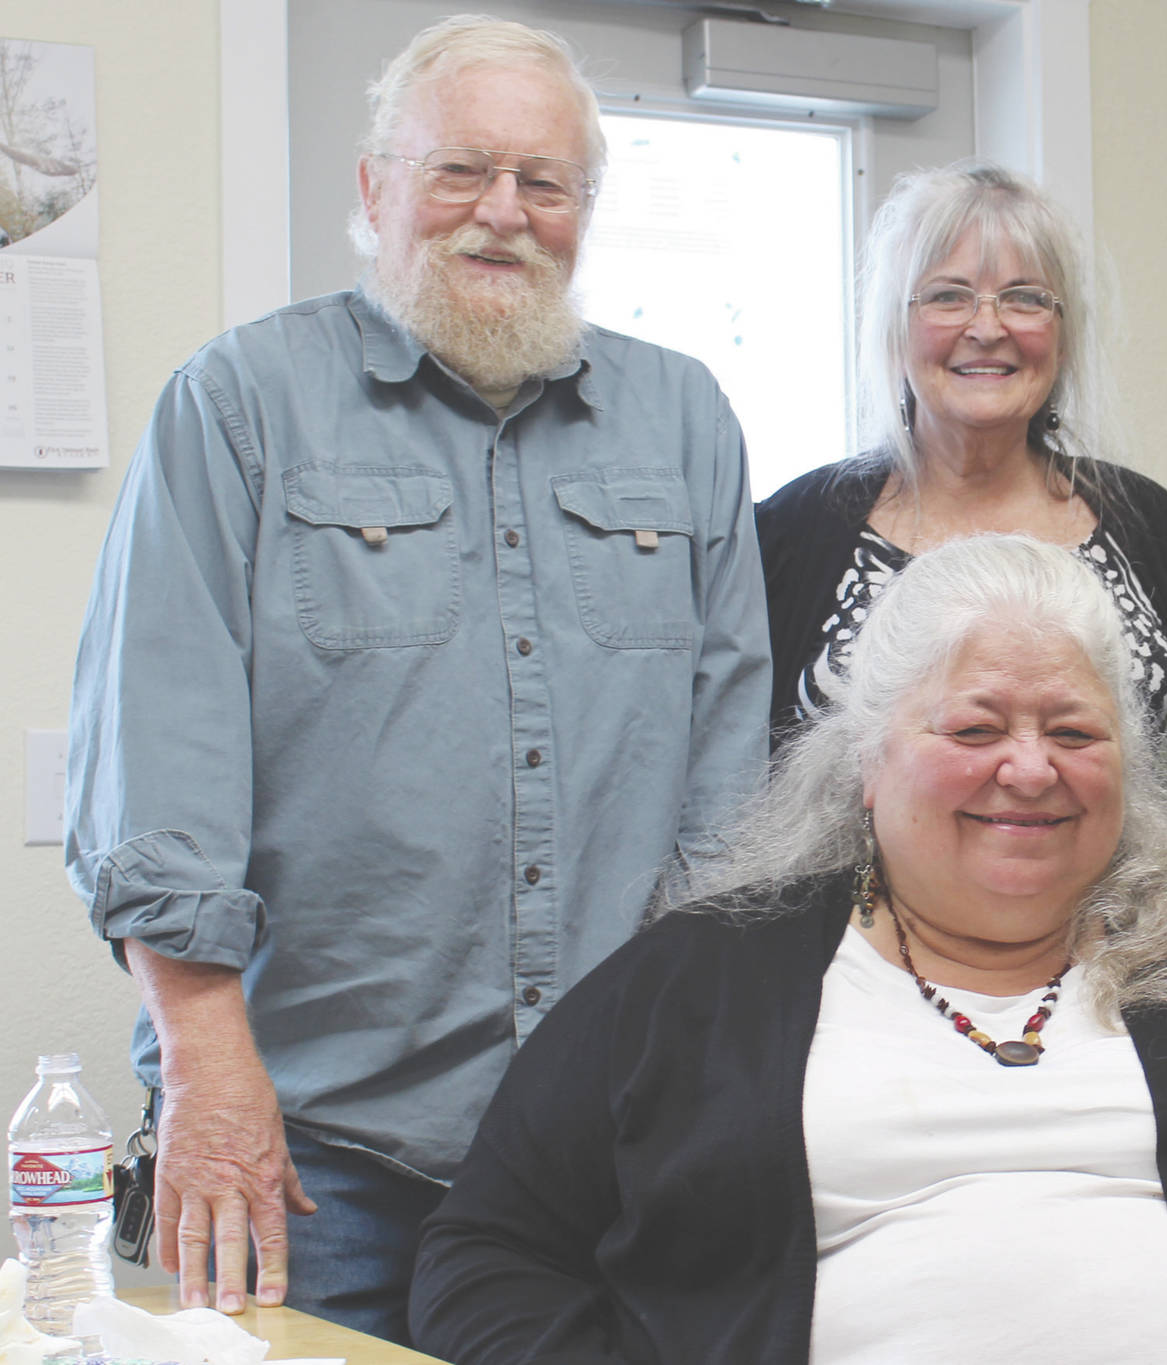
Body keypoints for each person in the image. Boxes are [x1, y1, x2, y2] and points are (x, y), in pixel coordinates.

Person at [410, 533, 1167, 1364]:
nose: (1029, 770)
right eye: (975, 727)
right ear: (870, 760)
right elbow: (488, 1255)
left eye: (1074, 731)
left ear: (1128, 767)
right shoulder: (702, 980)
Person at [64, 16, 769, 1345]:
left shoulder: (686, 422)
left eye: (544, 183)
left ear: (583, 210)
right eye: (461, 171)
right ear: (375, 185)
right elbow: (157, 764)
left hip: (611, 1150)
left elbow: (725, 803)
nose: (503, 213)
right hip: (320, 1154)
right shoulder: (238, 405)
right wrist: (213, 1080)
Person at [755, 160, 1167, 742]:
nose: (987, 327)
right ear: (895, 331)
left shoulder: (1162, 533)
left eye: (1025, 298)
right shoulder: (790, 536)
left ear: (1062, 337)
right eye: (948, 296)